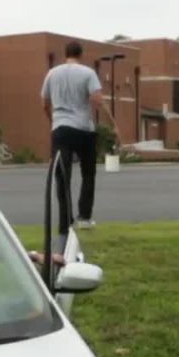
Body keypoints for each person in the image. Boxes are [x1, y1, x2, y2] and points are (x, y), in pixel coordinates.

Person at [41, 41, 115, 233]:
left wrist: (53, 121)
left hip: (60, 127)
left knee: (62, 175)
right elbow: (98, 100)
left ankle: (65, 221)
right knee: (88, 173)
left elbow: (45, 103)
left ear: (65, 54)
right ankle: (84, 217)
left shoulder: (52, 73)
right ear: (81, 54)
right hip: (84, 128)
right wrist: (113, 124)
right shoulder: (88, 73)